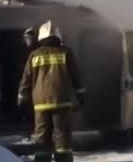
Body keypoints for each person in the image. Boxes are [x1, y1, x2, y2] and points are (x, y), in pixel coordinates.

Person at [18, 20, 85, 162]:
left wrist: (22, 98)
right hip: (62, 102)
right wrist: (81, 96)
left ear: (41, 38)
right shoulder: (66, 53)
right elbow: (76, 77)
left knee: (41, 138)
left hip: (41, 104)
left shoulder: (34, 55)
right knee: (62, 138)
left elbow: (26, 79)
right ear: (58, 37)